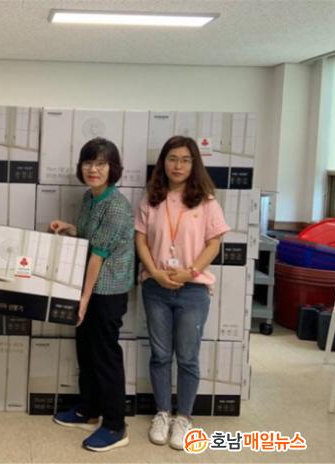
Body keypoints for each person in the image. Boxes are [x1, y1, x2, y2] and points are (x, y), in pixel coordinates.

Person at [135, 135, 230, 450]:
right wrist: (155, 273)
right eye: (172, 158)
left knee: (188, 357)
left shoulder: (207, 201)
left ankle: (184, 417)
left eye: (185, 160)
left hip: (193, 290)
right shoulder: (151, 199)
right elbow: (140, 240)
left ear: (194, 164)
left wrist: (191, 272)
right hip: (156, 287)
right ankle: (163, 413)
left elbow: (214, 243)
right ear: (163, 162)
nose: (178, 165)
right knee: (160, 355)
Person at [49, 137, 134, 452]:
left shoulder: (116, 205)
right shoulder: (90, 197)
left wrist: (83, 301)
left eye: (100, 163)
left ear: (113, 168)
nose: (93, 169)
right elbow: (88, 236)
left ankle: (115, 425)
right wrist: (70, 229)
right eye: (88, 162)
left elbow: (98, 254)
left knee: (105, 356)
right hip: (86, 284)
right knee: (85, 350)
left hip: (107, 290)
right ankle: (89, 409)